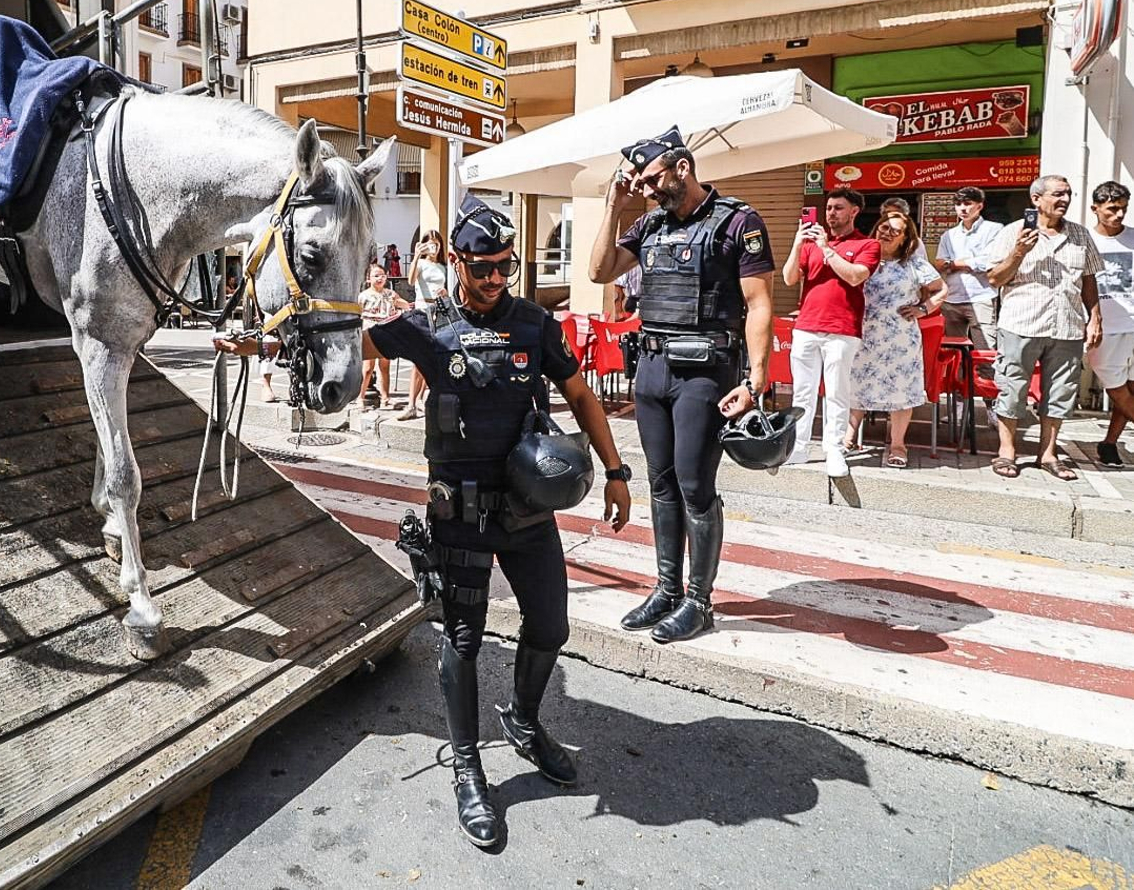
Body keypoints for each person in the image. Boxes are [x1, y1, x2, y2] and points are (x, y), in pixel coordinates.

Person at [219, 196, 632, 848]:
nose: (496, 278)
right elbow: (347, 339)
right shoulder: (425, 325)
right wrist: (264, 341)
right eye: (483, 266)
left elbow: (579, 393)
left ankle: (523, 721)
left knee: (550, 625)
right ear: (459, 261)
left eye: (505, 266)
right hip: (458, 515)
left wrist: (615, 470)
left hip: (527, 511)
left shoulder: (531, 325)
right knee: (463, 640)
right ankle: (467, 764)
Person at [588, 125, 774, 643]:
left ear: (682, 167)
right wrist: (612, 206)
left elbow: (759, 302)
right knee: (662, 483)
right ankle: (667, 590)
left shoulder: (738, 222)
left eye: (651, 180)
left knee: (695, 486)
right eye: (640, 183)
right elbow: (599, 270)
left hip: (705, 374)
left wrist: (756, 380)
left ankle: (699, 600)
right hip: (652, 371)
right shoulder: (647, 225)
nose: (645, 190)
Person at [984, 175, 1105, 480]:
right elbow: (995, 278)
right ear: (1036, 199)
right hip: (1021, 322)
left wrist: (1095, 318)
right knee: (1013, 388)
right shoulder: (1013, 233)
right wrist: (1019, 252)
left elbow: (1089, 279)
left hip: (1066, 325)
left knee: (1061, 392)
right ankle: (1006, 452)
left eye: (1068, 194)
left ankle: (1047, 454)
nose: (1064, 199)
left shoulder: (1080, 235)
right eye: (1057, 194)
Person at [781, 187, 880, 477]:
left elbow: (855, 276)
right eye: (828, 208)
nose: (831, 213)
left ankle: (834, 449)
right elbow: (789, 279)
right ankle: (798, 447)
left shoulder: (867, 244)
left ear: (854, 211)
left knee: (837, 390)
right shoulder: (810, 243)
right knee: (802, 391)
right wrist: (798, 244)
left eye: (838, 208)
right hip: (807, 326)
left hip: (842, 328)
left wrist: (826, 249)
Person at [847, 210, 947, 468]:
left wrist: (924, 309)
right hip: (864, 335)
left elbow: (941, 289)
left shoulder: (913, 263)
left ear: (905, 238)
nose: (887, 233)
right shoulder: (863, 257)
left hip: (900, 339)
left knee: (900, 391)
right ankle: (848, 438)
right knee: (855, 386)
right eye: (884, 227)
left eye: (895, 230)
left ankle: (898, 444)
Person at [1086, 181, 1134, 466]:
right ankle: (1108, 444)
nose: (1119, 215)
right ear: (1096, 209)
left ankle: (1109, 443)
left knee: (1130, 389)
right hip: (1106, 328)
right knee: (1116, 387)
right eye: (1112, 209)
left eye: (1123, 209)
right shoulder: (1086, 240)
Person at [935, 186, 1005, 349]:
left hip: (981, 296)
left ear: (979, 206)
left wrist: (953, 264)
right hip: (951, 297)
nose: (962, 208)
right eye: (958, 204)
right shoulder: (949, 234)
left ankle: (985, 376)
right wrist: (968, 262)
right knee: (954, 351)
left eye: (967, 203)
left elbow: (988, 262)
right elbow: (939, 263)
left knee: (985, 348)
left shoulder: (994, 229)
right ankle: (958, 376)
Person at [400, 230, 447, 420]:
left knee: (430, 358)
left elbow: (447, 287)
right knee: (418, 360)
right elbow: (411, 281)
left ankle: (419, 399)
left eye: (436, 243)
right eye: (430, 243)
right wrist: (417, 255)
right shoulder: (420, 263)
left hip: (438, 310)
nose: (434, 247)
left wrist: (445, 292)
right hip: (421, 309)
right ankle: (411, 403)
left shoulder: (443, 266)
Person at [357, 262, 411, 410]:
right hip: (369, 332)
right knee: (368, 367)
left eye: (382, 275)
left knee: (385, 366)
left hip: (387, 331)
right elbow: (357, 314)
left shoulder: (390, 294)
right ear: (369, 279)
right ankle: (360, 397)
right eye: (376, 275)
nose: (379, 278)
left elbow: (404, 305)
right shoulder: (363, 296)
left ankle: (385, 397)